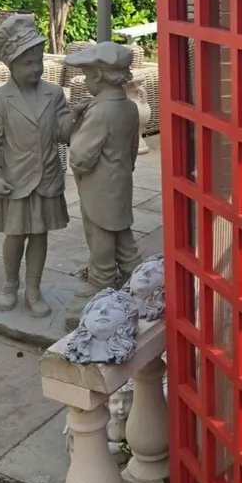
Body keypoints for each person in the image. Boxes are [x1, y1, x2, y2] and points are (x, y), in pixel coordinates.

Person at [0, 15, 74, 317]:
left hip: (47, 180)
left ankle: (33, 289)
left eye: (38, 60)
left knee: (40, 236)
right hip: (15, 181)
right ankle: (10, 285)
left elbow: (61, 134)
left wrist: (73, 119)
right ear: (11, 64)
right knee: (15, 237)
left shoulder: (54, 94)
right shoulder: (0, 99)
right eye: (27, 63)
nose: (36, 68)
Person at [64, 42, 140, 324]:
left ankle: (102, 280)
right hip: (121, 181)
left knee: (99, 234)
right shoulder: (129, 107)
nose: (85, 81)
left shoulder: (99, 112)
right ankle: (135, 272)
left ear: (98, 76)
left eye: (86, 76)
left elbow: (82, 156)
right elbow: (132, 148)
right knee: (121, 231)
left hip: (98, 186)